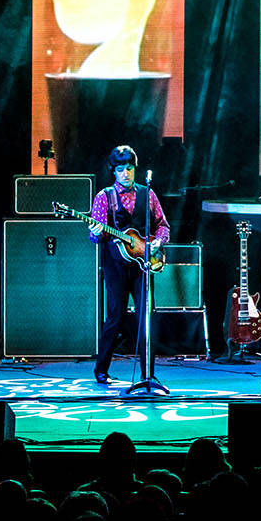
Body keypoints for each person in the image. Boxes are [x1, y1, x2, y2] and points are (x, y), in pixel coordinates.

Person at [88, 145, 170, 385]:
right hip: (115, 265)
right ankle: (101, 369)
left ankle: (148, 373)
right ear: (113, 171)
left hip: (142, 263)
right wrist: (95, 232)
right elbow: (96, 236)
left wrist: (157, 242)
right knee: (115, 315)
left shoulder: (148, 194)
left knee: (147, 317)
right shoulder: (105, 197)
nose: (126, 173)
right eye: (121, 169)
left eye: (130, 168)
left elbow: (162, 224)